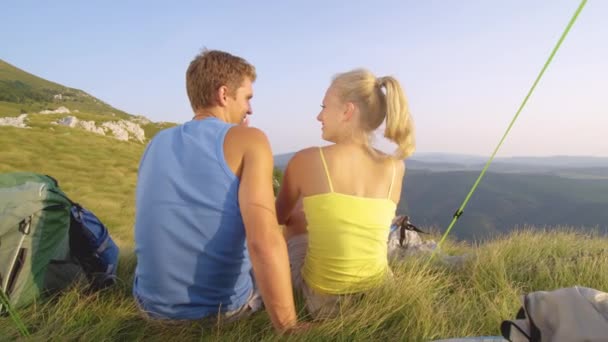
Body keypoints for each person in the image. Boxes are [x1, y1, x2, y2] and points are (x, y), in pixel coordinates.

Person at [133, 49, 304, 333]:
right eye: (247, 98)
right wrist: (288, 327)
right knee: (287, 231)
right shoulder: (250, 139)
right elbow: (263, 242)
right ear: (224, 95)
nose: (250, 109)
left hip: (150, 307)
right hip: (222, 313)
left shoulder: (156, 143)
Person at [275, 69, 415, 319]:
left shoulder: (307, 160)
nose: (319, 115)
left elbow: (278, 216)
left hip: (324, 302)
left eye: (324, 106)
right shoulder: (396, 167)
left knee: (296, 215)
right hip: (380, 293)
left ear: (347, 111)